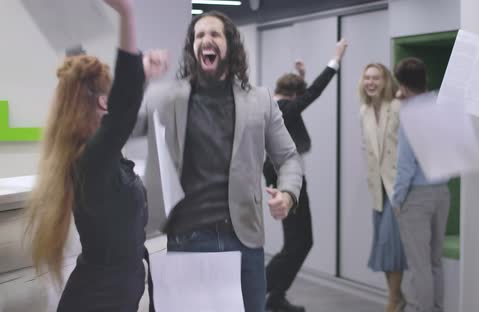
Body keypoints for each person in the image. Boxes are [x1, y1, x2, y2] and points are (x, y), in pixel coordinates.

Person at [132, 11, 303, 312]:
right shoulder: (168, 98)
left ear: (230, 46)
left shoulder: (260, 101)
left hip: (244, 242)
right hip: (185, 241)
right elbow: (124, 124)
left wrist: (288, 194)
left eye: (214, 35)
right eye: (199, 36)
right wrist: (139, 77)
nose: (206, 40)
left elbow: (288, 157)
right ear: (192, 48)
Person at [25, 0, 169, 311]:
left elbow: (80, 74)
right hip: (99, 300)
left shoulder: (97, 157)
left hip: (110, 295)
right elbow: (125, 106)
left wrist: (140, 73)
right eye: (111, 92)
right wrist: (127, 13)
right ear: (103, 103)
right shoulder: (92, 161)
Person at [263, 39, 348, 312]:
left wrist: (300, 76)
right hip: (289, 184)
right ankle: (260, 289)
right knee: (298, 243)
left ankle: (275, 295)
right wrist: (335, 59)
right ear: (295, 96)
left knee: (299, 242)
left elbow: (302, 97)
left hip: (289, 181)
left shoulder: (277, 106)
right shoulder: (284, 108)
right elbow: (313, 93)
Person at [392, 57, 450, 312]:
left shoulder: (410, 114)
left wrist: (397, 199)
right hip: (442, 192)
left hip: (417, 196)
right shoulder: (442, 106)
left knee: (419, 265)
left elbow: (405, 165)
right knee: (435, 261)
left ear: (402, 85)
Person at [358, 63, 406, 312]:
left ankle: (392, 301)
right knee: (383, 245)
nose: (371, 82)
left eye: (376, 77)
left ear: (386, 81)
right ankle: (396, 297)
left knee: (390, 244)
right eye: (367, 78)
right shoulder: (364, 111)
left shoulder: (397, 107)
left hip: (397, 186)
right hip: (378, 190)